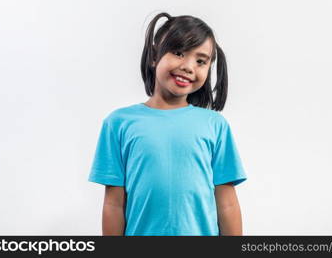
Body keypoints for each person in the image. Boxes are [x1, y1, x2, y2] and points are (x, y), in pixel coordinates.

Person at [88, 12, 248, 236]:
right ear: (154, 56)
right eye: (179, 52)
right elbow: (114, 205)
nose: (189, 66)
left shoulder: (215, 125)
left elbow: (227, 203)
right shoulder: (119, 124)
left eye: (201, 61)